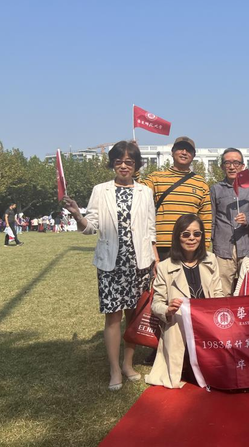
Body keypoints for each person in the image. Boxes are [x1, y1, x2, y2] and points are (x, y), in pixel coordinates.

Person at [63, 140, 156, 391]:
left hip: (139, 263)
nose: (124, 166)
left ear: (136, 165)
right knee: (113, 316)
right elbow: (90, 227)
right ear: (112, 164)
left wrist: (154, 259)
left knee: (133, 316)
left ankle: (127, 364)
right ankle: (114, 368)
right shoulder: (101, 190)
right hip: (111, 263)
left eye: (129, 162)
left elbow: (150, 229)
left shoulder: (145, 192)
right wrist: (78, 215)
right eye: (119, 162)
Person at [145, 214, 224, 389]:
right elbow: (156, 304)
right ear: (177, 236)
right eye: (186, 234)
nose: (192, 238)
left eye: (197, 234)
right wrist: (167, 309)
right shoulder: (164, 266)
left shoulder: (211, 260)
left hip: (207, 327)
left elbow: (218, 293)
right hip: (179, 328)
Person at [141, 136, 212, 262]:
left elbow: (205, 218)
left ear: (193, 155)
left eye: (188, 150)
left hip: (190, 244)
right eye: (180, 149)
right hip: (162, 245)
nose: (184, 152)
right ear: (172, 152)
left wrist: (204, 246)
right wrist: (134, 159)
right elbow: (137, 191)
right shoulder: (156, 178)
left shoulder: (201, 183)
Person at [210, 148, 249, 296]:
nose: (232, 167)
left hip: (247, 245)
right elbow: (212, 218)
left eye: (236, 163)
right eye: (227, 163)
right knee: (222, 290)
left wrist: (248, 219)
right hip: (223, 246)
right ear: (222, 166)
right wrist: (211, 241)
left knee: (247, 289)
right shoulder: (216, 189)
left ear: (242, 166)